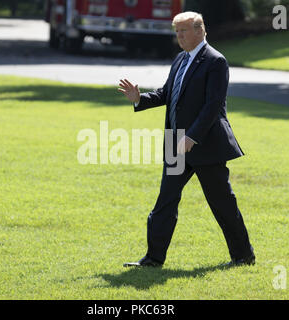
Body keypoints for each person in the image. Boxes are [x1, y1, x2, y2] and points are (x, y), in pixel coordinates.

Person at [118, 11, 255, 267]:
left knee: (222, 203)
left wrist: (193, 136)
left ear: (200, 30)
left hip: (206, 146)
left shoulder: (216, 61)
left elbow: (213, 106)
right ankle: (153, 258)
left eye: (183, 31)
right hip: (176, 144)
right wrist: (139, 99)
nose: (179, 36)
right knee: (165, 201)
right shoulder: (181, 59)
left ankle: (243, 256)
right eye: (176, 31)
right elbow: (167, 93)